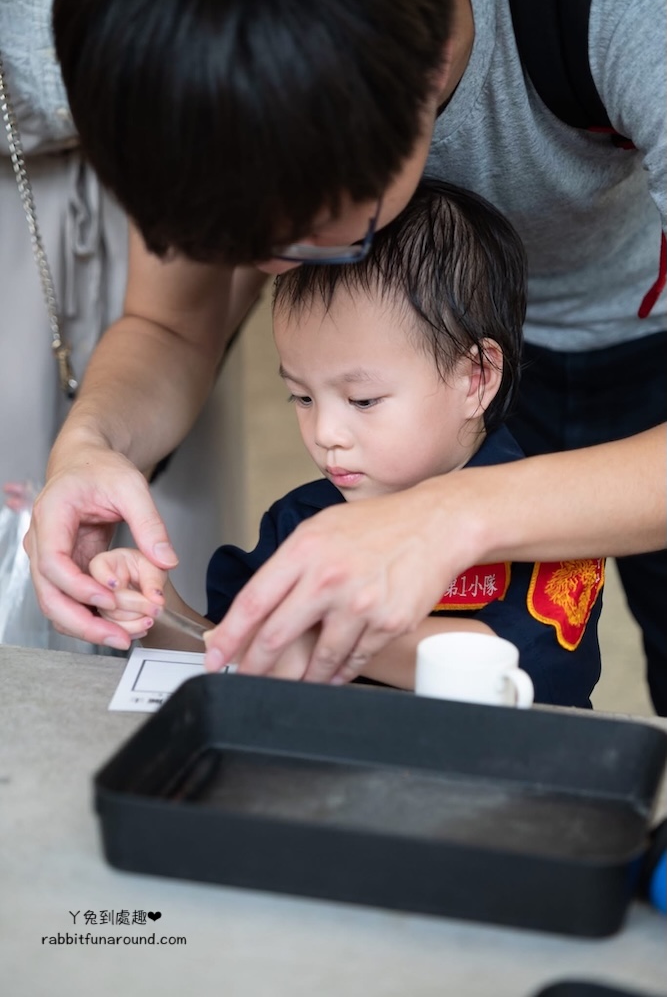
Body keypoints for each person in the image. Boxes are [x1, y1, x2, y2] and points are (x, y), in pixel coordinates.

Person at [25, 0, 665, 703]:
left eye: (311, 232)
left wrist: (447, 517)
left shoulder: (628, 22)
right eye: (227, 240)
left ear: (432, 70)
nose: (265, 269)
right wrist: (88, 446)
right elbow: (170, 326)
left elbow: (520, 672)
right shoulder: (186, 77)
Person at [90, 181, 603, 707]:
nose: (325, 434)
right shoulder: (303, 523)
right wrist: (156, 610)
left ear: (475, 379)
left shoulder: (549, 524)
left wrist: (315, 630)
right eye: (302, 397)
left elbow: (518, 665)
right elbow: (227, 650)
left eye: (362, 400)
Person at [0, 0, 245, 644]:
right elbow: (170, 328)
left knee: (170, 516)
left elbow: (174, 326)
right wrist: (88, 444)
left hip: (174, 164)